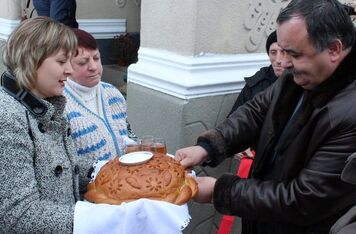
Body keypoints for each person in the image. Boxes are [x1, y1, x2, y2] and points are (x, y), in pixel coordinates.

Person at [175, 0, 356, 233]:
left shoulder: (350, 115)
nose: (283, 62)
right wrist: (209, 146)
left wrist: (221, 191)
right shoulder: (300, 75)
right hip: (263, 217)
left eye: (294, 53)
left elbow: (303, 200)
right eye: (280, 50)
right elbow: (256, 112)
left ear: (334, 49)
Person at [0, 16, 92, 232]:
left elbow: (64, 171)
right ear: (31, 60)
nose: (70, 70)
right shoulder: (7, 117)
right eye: (62, 61)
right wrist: (95, 220)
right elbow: (19, 216)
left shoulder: (47, 104)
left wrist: (107, 170)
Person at [64, 28, 132, 160]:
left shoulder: (113, 93)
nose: (93, 67)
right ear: (65, 65)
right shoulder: (61, 105)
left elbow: (129, 133)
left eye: (96, 58)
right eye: (83, 62)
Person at [228, 30, 287, 117]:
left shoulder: (303, 82)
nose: (278, 60)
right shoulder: (256, 83)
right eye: (273, 52)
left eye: (283, 52)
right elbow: (234, 119)